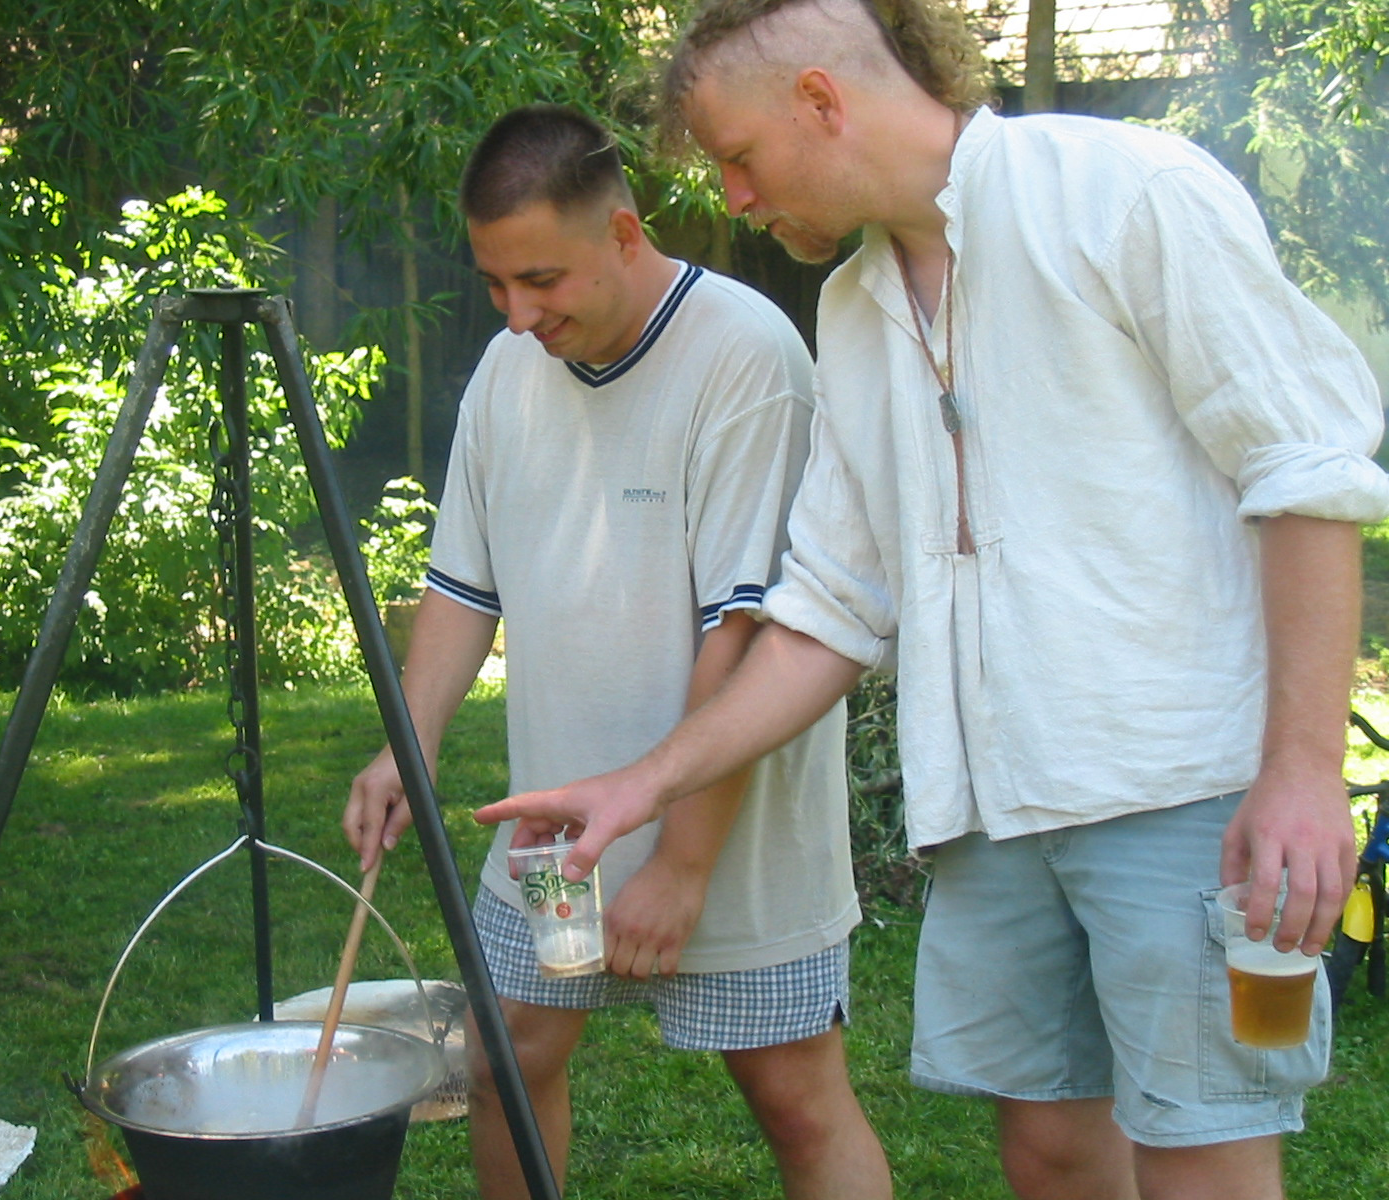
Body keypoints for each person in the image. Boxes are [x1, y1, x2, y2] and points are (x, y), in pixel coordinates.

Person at [474, 5, 1389, 1199]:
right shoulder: (854, 313)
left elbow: (1305, 472)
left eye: (738, 159)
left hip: (1183, 795)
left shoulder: (1121, 191)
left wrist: (1303, 773)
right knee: (1051, 1155)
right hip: (993, 811)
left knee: (1204, 1161)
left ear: (820, 100)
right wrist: (640, 784)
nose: (735, 200)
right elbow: (829, 610)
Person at [343, 104, 891, 1200]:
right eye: (496, 283)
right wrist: (411, 741)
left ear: (625, 234)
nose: (515, 313)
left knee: (795, 1100)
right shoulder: (508, 372)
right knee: (508, 1066)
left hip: (733, 831)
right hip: (556, 833)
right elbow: (460, 590)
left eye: (540, 278)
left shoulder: (746, 358)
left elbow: (744, 636)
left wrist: (681, 867)